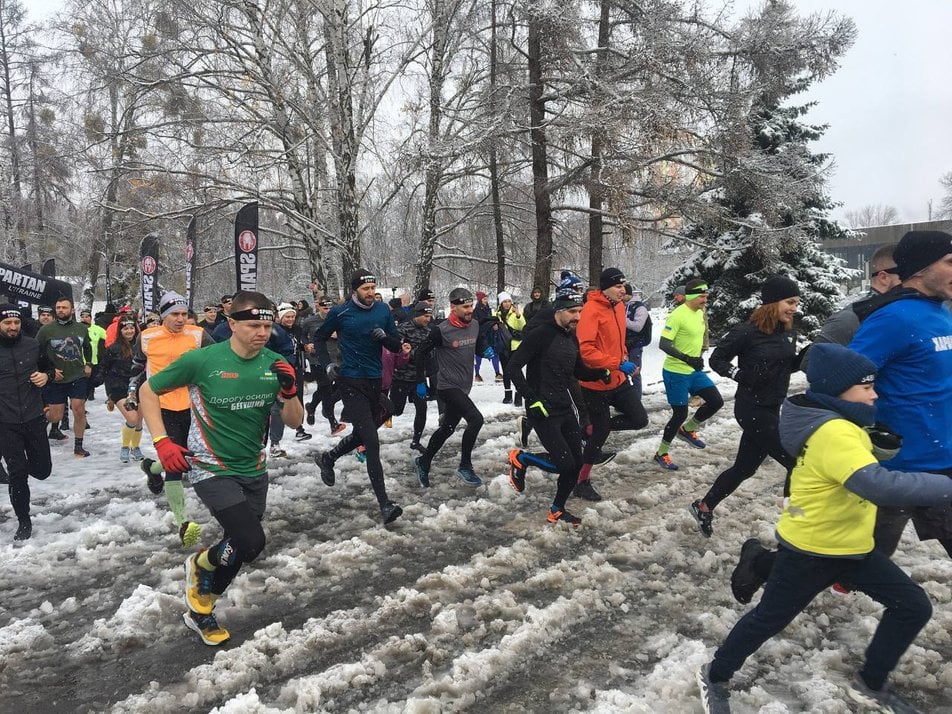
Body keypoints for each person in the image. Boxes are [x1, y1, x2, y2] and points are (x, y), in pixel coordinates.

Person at [697, 343, 952, 714]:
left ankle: (871, 681)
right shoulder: (834, 432)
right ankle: (715, 674)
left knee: (912, 606)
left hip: (852, 548)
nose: (874, 393)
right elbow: (876, 485)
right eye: (867, 387)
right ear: (838, 391)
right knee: (769, 618)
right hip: (811, 550)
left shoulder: (846, 423)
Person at [138, 291, 304, 646]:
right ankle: (202, 577)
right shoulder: (203, 360)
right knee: (249, 539)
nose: (262, 332)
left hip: (253, 466)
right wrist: (162, 442)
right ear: (231, 323)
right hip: (210, 467)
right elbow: (147, 392)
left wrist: (289, 392)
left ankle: (201, 603)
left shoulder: (274, 362)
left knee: (244, 547)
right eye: (254, 325)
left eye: (267, 325)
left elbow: (294, 420)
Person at [849, 230, 952, 559]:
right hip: (912, 467)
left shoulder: (939, 313)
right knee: (859, 549)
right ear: (921, 269)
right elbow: (843, 379)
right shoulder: (891, 319)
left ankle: (770, 566)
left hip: (941, 455)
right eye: (950, 262)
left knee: (865, 551)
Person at [690, 276, 801, 538]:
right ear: (773, 303)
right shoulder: (747, 332)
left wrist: (806, 356)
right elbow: (717, 359)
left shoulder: (788, 332)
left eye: (796, 302)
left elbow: (787, 365)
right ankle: (795, 529)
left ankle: (704, 506)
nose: (794, 308)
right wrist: (738, 374)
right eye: (790, 302)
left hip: (773, 407)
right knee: (797, 464)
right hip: (752, 409)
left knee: (745, 468)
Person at [506, 290, 609, 526]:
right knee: (565, 464)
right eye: (572, 312)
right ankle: (522, 458)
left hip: (563, 406)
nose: (578, 317)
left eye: (580, 312)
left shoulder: (570, 337)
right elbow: (512, 368)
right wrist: (531, 398)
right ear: (558, 311)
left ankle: (557, 510)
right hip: (541, 408)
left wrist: (598, 373)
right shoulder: (540, 335)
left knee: (577, 463)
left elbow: (577, 370)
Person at [312, 270, 405, 524]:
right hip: (350, 381)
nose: (370, 293)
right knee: (372, 442)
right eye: (366, 289)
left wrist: (385, 337)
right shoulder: (340, 313)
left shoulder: (383, 311)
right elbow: (318, 338)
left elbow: (397, 345)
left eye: (373, 287)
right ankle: (385, 504)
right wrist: (327, 364)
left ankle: (328, 457)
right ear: (355, 291)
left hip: (375, 382)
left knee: (371, 428)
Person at [130, 291, 214, 547]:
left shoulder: (198, 334)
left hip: (191, 404)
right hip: (161, 405)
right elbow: (136, 369)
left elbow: (214, 363)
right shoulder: (146, 337)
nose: (180, 319)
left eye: (184, 314)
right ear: (163, 315)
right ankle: (182, 522)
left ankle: (151, 468)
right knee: (175, 463)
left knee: (188, 456)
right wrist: (132, 393)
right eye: (174, 314)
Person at [571, 268, 648, 501]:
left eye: (623, 285)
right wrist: (616, 363)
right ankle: (581, 481)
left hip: (618, 379)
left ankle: (591, 429)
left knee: (639, 419)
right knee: (601, 435)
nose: (622, 289)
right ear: (605, 288)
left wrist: (624, 358)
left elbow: (618, 340)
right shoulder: (591, 311)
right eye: (617, 286)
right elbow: (585, 351)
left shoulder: (619, 306)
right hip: (595, 383)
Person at [412, 287, 490, 487]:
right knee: (476, 419)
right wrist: (420, 381)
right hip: (447, 387)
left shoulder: (474, 324)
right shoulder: (441, 330)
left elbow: (477, 343)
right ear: (453, 307)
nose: (469, 310)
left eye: (471, 306)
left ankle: (423, 461)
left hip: (465, 386)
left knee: (447, 428)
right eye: (465, 307)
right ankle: (465, 466)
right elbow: (420, 353)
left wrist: (485, 350)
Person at [653, 278, 723, 470]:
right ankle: (661, 453)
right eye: (702, 295)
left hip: (693, 371)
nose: (706, 298)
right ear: (691, 296)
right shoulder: (678, 315)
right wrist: (687, 358)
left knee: (716, 401)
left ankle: (688, 429)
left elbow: (696, 338)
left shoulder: (700, 313)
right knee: (680, 413)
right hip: (676, 372)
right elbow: (664, 344)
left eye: (707, 294)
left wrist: (697, 357)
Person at [800, 244, 899, 372]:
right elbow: (810, 364)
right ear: (883, 277)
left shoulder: (906, 313)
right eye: (907, 275)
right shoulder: (851, 317)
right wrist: (864, 383)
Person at [0, 304, 53, 541]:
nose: (13, 327)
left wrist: (46, 377)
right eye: (7, 323)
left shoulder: (32, 345)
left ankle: (21, 470)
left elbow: (50, 369)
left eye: (16, 323)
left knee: (43, 470)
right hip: (5, 422)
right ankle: (24, 520)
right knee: (17, 472)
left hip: (33, 417)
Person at [36, 295, 93, 456]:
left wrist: (88, 363)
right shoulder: (46, 330)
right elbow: (35, 352)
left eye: (64, 307)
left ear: (72, 310)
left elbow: (87, 347)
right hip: (56, 379)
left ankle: (79, 446)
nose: (61, 310)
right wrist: (49, 371)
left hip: (77, 376)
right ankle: (42, 411)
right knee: (56, 417)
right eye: (58, 307)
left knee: (78, 408)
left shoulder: (81, 328)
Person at [266, 303, 310, 457]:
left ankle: (276, 442)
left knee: (280, 406)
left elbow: (289, 349)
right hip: (258, 372)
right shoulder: (272, 330)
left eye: (292, 316)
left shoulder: (282, 331)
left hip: (282, 370)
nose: (290, 319)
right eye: (287, 317)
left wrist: (286, 365)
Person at [100, 316, 144, 463]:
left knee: (139, 421)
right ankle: (125, 447)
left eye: (131, 328)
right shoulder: (113, 348)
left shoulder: (142, 346)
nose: (129, 331)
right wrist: (107, 391)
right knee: (132, 417)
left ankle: (135, 447)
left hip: (139, 386)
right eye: (126, 328)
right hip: (119, 387)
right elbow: (104, 369)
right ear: (120, 330)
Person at [391, 301, 434, 451]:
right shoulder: (403, 329)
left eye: (429, 316)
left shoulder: (428, 331)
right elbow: (398, 351)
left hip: (418, 378)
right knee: (396, 410)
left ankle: (416, 440)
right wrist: (416, 354)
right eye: (425, 316)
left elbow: (430, 353)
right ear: (417, 315)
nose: (428, 319)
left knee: (422, 410)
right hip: (401, 377)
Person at [303, 297, 346, 435]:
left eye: (329, 308)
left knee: (334, 388)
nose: (327, 311)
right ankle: (333, 422)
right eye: (325, 308)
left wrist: (338, 335)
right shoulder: (310, 321)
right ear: (318, 307)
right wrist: (306, 345)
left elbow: (348, 336)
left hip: (335, 358)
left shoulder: (337, 320)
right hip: (317, 359)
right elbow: (302, 336)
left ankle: (312, 406)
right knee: (326, 388)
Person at [495, 291, 526, 405]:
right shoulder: (496, 315)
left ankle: (519, 395)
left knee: (516, 371)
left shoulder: (515, 313)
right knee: (506, 371)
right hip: (503, 346)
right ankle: (507, 395)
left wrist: (518, 315)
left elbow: (522, 326)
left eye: (509, 301)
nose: (507, 304)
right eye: (505, 302)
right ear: (501, 303)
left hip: (514, 346)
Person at [622, 284, 651, 400]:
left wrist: (622, 319)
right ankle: (625, 400)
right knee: (622, 372)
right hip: (623, 344)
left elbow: (638, 326)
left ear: (628, 294)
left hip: (635, 344)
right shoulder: (621, 306)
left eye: (623, 293)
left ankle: (636, 400)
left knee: (635, 372)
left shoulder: (639, 307)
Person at [472, 291, 501, 383]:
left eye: (486, 298)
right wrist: (488, 321)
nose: (486, 300)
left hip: (490, 334)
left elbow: (489, 320)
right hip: (481, 335)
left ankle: (497, 373)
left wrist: (493, 323)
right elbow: (477, 322)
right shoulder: (476, 310)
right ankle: (476, 374)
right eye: (484, 299)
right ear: (480, 300)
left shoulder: (488, 309)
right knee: (479, 355)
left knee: (494, 353)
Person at [80, 308, 107, 401]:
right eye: (82, 317)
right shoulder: (76, 329)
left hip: (93, 361)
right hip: (79, 362)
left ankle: (87, 397)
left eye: (87, 317)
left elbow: (109, 338)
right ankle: (79, 406)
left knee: (91, 384)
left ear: (91, 318)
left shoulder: (97, 329)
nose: (84, 319)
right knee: (80, 386)